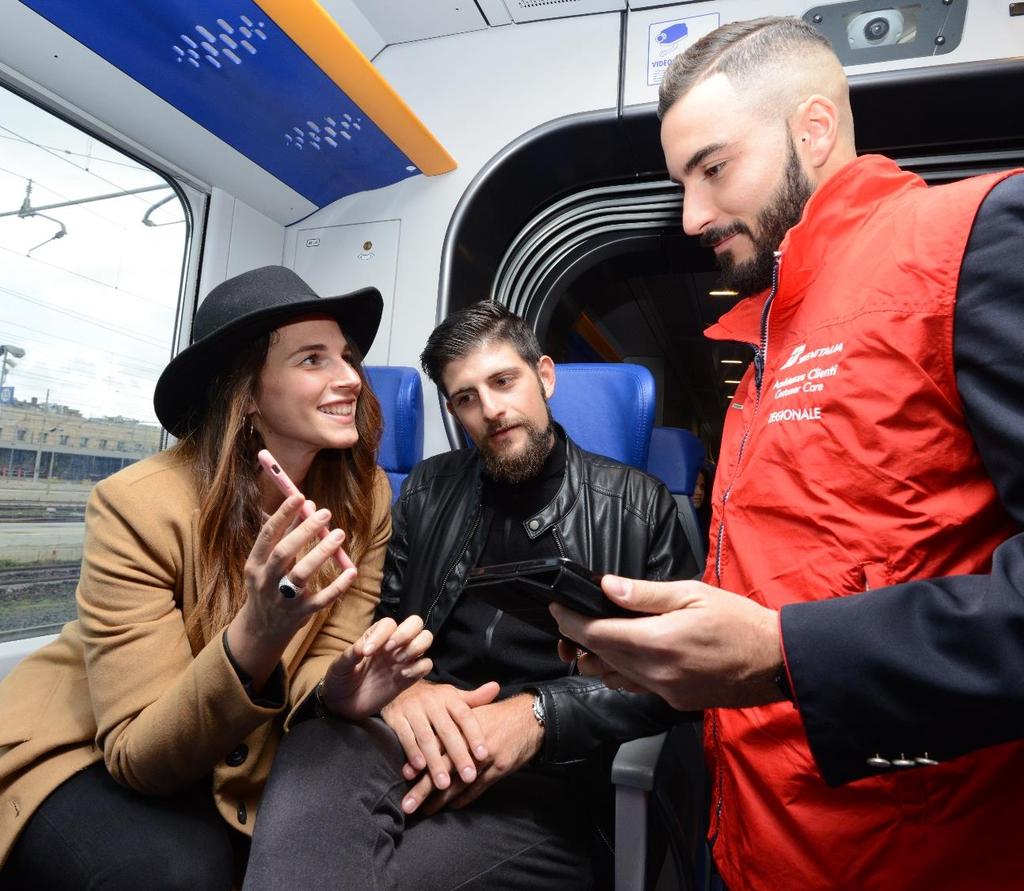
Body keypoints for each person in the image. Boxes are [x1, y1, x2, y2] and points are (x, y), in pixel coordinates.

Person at [551, 16, 1024, 891]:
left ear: (813, 129)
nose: (691, 215)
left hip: (909, 851)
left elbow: (787, 634)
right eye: (679, 182)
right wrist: (671, 657)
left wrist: (781, 653)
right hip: (753, 840)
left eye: (713, 168)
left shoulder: (974, 239)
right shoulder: (765, 338)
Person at [0, 265, 432, 889]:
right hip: (84, 744)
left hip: (236, 751)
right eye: (313, 359)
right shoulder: (137, 504)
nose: (350, 380)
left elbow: (329, 650)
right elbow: (138, 756)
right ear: (249, 394)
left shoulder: (364, 496)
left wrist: (338, 691)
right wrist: (258, 632)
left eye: (348, 357)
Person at [243, 300, 697, 890]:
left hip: (549, 778)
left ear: (546, 376)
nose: (491, 410)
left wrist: (538, 715)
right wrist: (402, 692)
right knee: (313, 760)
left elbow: (679, 679)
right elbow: (382, 619)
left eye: (504, 381)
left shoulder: (638, 506)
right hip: (411, 735)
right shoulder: (429, 489)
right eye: (465, 397)